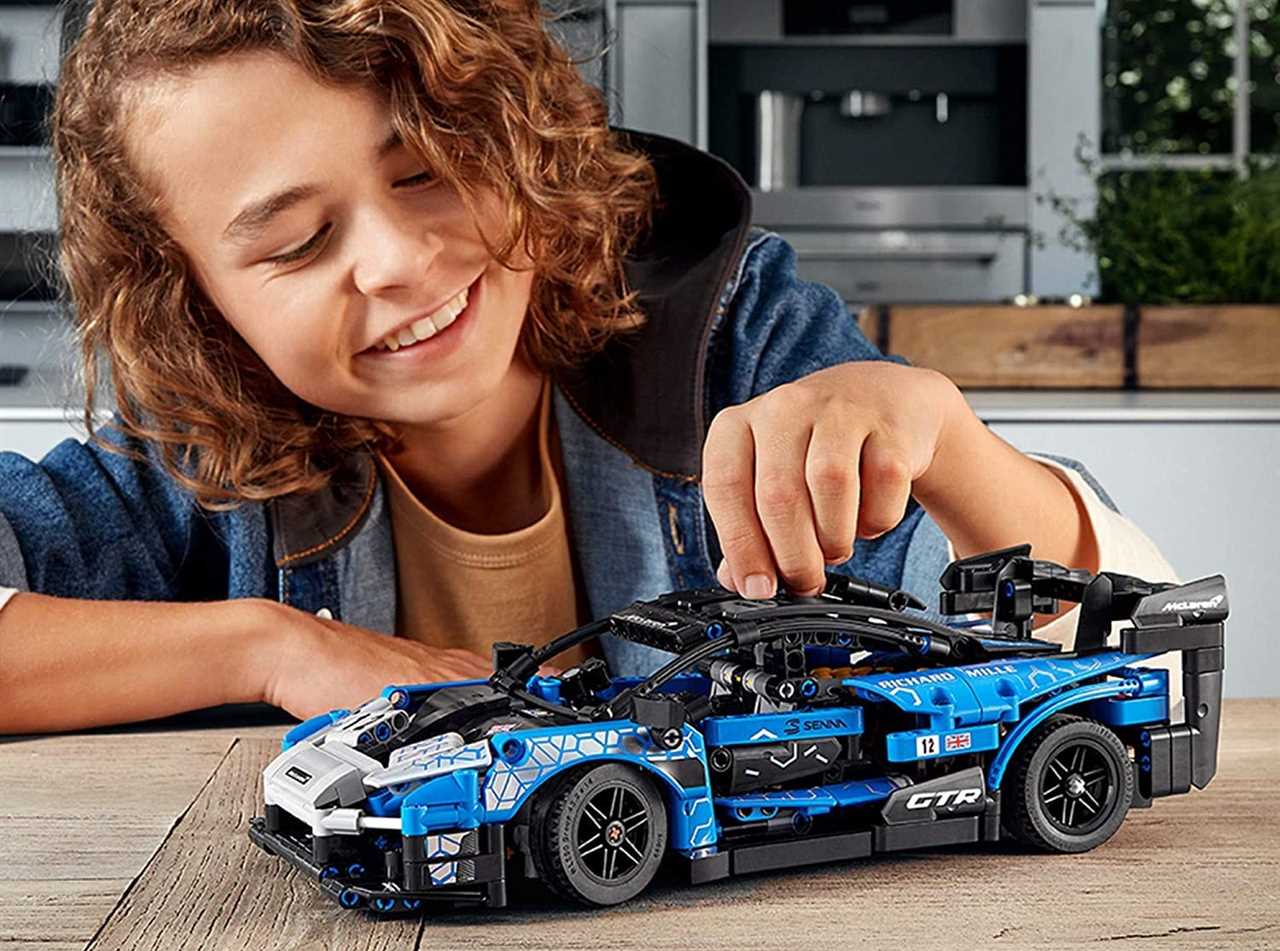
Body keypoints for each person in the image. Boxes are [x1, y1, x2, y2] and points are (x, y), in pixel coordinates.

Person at [0, 0, 1178, 735]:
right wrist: (265, 643)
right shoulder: (193, 463)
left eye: (430, 168)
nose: (402, 263)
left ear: (517, 131)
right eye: (297, 243)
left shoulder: (738, 346)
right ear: (194, 298)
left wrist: (947, 439)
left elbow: (1140, 661)